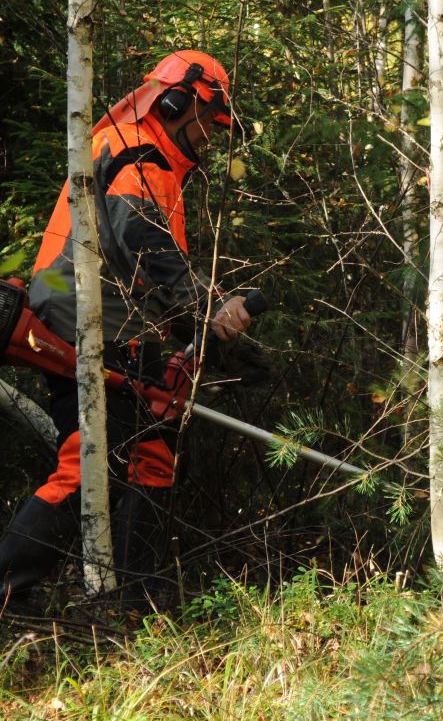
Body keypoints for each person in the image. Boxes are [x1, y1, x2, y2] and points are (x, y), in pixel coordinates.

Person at [0, 50, 255, 609]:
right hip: (82, 324)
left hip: (122, 328)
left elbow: (147, 266)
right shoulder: (134, 149)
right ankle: (10, 590)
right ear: (177, 100)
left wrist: (200, 329)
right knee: (92, 457)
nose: (212, 137)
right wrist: (206, 308)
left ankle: (141, 602)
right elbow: (138, 239)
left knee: (152, 457)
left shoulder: (155, 157)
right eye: (208, 120)